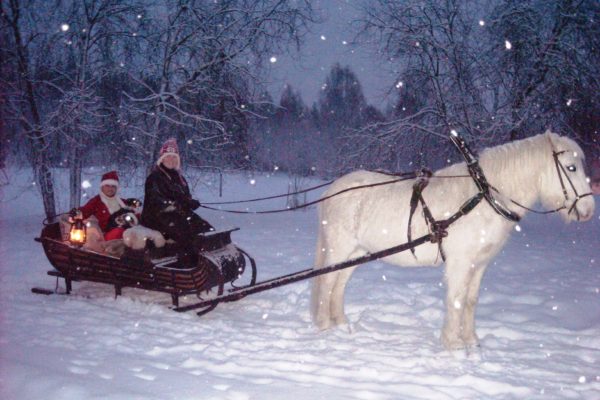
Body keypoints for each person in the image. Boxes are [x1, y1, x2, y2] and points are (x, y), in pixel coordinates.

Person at [141, 138, 213, 267]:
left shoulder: (179, 178)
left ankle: (206, 260)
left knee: (205, 228)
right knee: (185, 232)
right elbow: (157, 202)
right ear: (162, 159)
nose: (171, 160)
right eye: (168, 157)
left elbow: (184, 198)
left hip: (177, 214)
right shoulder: (154, 178)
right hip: (156, 218)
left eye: (174, 157)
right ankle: (186, 266)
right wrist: (178, 205)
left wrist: (190, 202)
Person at [75, 170, 140, 241]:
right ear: (102, 187)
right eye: (107, 186)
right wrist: (76, 213)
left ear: (116, 188)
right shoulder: (97, 201)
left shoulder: (122, 202)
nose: (110, 189)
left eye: (113, 186)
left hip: (126, 231)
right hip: (108, 234)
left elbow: (134, 214)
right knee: (120, 232)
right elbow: (85, 211)